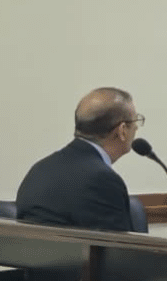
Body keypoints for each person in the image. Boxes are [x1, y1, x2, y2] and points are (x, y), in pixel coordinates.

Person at [16, 87, 141, 232]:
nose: (137, 128)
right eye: (135, 121)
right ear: (122, 130)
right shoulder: (103, 180)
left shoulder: (40, 169)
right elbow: (118, 245)